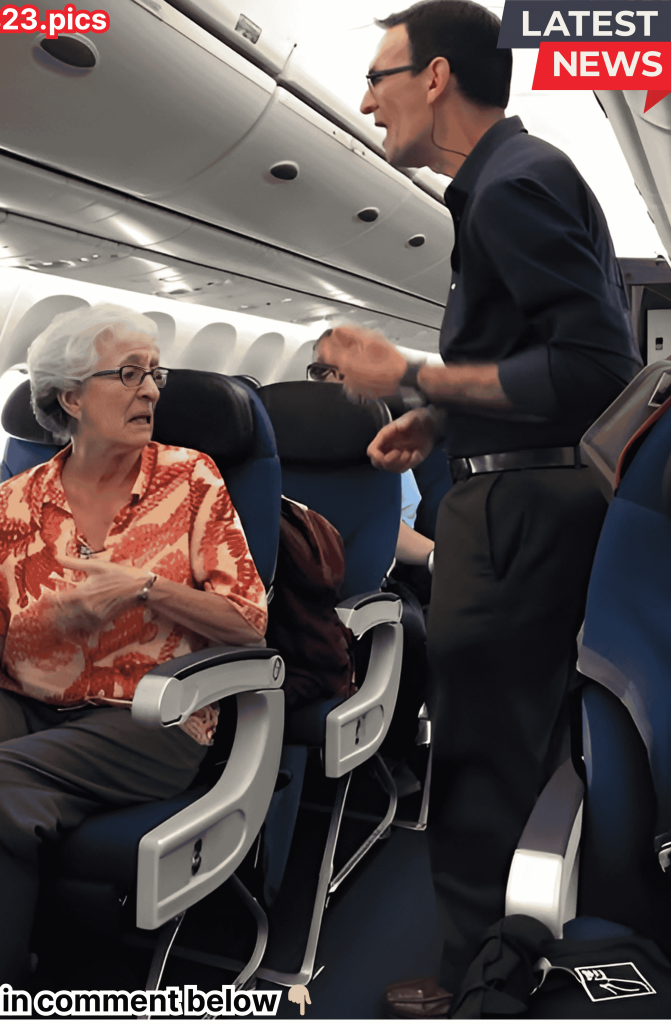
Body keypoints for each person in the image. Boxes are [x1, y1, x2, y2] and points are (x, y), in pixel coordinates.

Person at [315, 0, 642, 1002]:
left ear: (438, 77)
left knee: (479, 755)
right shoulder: (512, 178)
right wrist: (441, 417)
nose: (367, 101)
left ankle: (477, 983)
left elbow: (593, 366)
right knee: (522, 746)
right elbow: (534, 363)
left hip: (512, 524)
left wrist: (410, 367)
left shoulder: (512, 183)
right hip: (523, 493)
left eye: (380, 77)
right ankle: (521, 955)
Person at [0, 303, 268, 990]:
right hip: (20, 698)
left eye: (154, 374)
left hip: (149, 716)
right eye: (128, 374)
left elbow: (247, 625)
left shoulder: (190, 480)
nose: (151, 389)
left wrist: (145, 588)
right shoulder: (16, 497)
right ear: (70, 395)